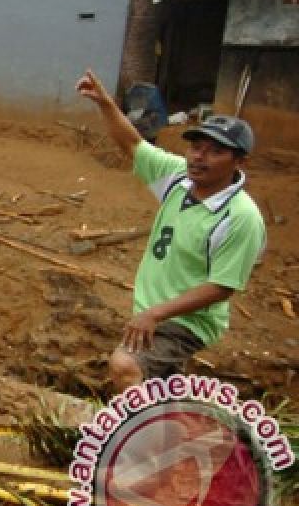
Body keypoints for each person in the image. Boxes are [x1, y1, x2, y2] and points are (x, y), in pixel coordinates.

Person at [75, 69, 266, 392]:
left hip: (188, 321)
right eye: (196, 147)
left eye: (215, 151)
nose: (199, 157)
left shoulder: (240, 217)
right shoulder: (179, 178)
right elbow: (133, 144)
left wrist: (156, 313)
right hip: (155, 310)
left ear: (239, 162)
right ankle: (171, 431)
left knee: (125, 367)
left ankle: (138, 441)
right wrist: (106, 103)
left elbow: (222, 286)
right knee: (158, 388)